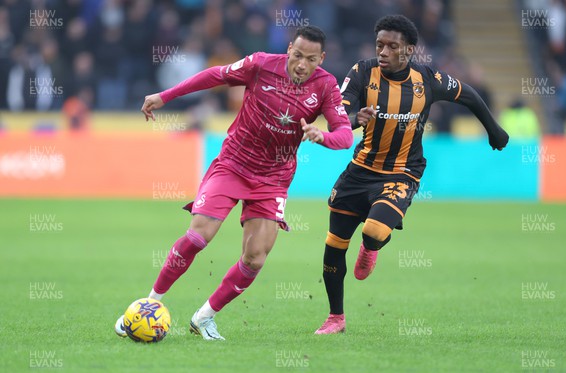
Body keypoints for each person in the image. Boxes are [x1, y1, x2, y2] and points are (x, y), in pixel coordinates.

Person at [115, 25, 353, 341]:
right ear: (288, 50)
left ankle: (204, 317)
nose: (301, 64)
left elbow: (345, 135)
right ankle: (149, 304)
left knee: (255, 257)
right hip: (233, 164)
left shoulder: (325, 86)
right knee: (200, 235)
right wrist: (165, 95)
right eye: (297, 55)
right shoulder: (260, 65)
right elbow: (214, 76)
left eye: (310, 59)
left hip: (273, 178)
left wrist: (321, 136)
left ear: (321, 59)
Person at [314, 15, 509, 335]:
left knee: (374, 230)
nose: (384, 52)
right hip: (360, 170)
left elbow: (469, 94)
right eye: (380, 45)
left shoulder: (427, 79)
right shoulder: (362, 72)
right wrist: (354, 118)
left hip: (402, 173)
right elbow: (338, 116)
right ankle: (336, 317)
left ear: (409, 50)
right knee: (334, 243)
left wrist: (494, 131)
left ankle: (370, 248)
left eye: (392, 46)